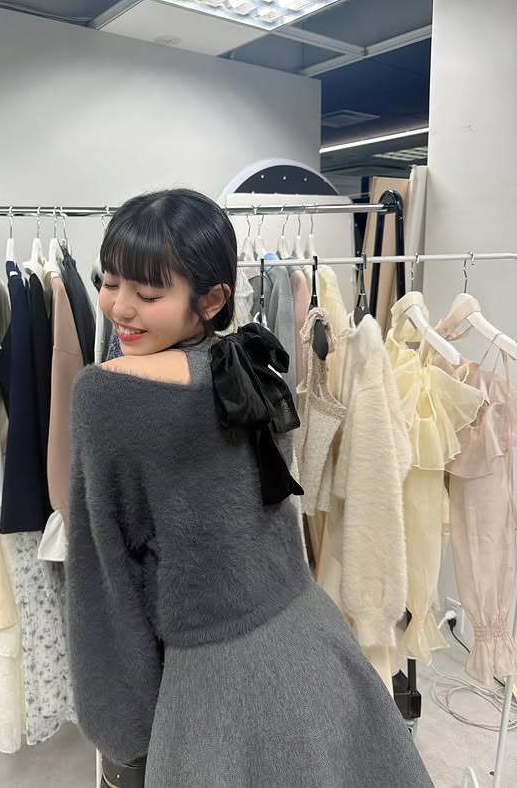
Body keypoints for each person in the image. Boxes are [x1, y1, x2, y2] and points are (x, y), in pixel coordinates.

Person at [66, 189, 434, 788]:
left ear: (212, 299)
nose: (119, 307)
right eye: (109, 282)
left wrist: (122, 732)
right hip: (312, 640)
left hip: (214, 685)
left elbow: (105, 576)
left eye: (148, 294)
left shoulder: (106, 393)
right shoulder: (249, 365)